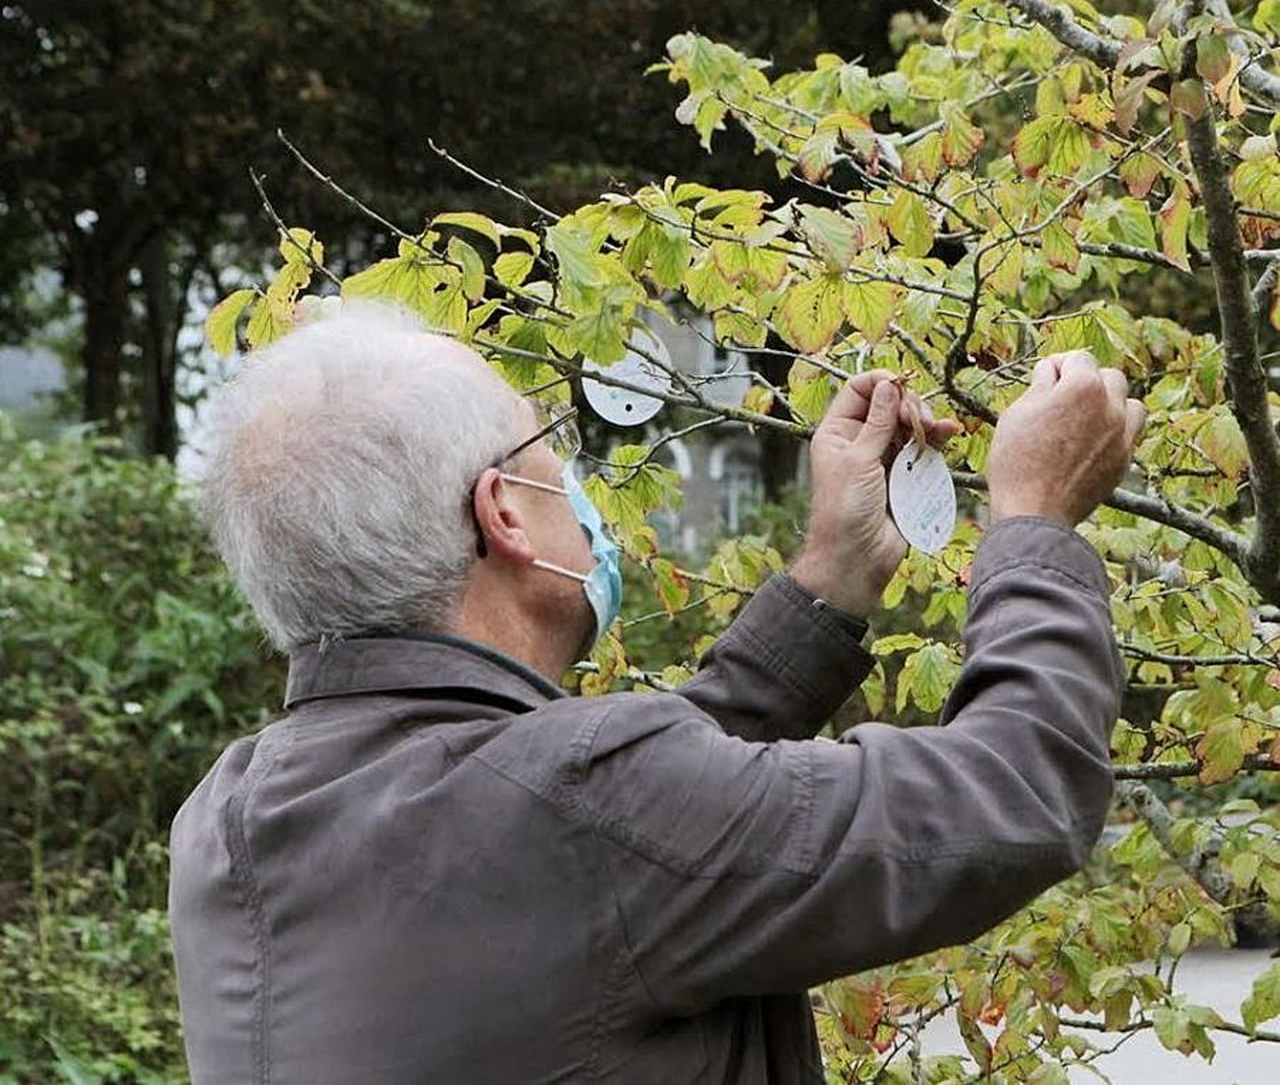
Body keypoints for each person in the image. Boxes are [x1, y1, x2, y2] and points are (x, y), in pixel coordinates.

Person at [169, 302, 1144, 1083]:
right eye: (547, 445)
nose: (576, 475)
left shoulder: (229, 814)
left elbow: (608, 838)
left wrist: (828, 578)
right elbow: (1011, 794)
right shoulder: (583, 813)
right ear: (502, 511)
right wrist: (1033, 520)